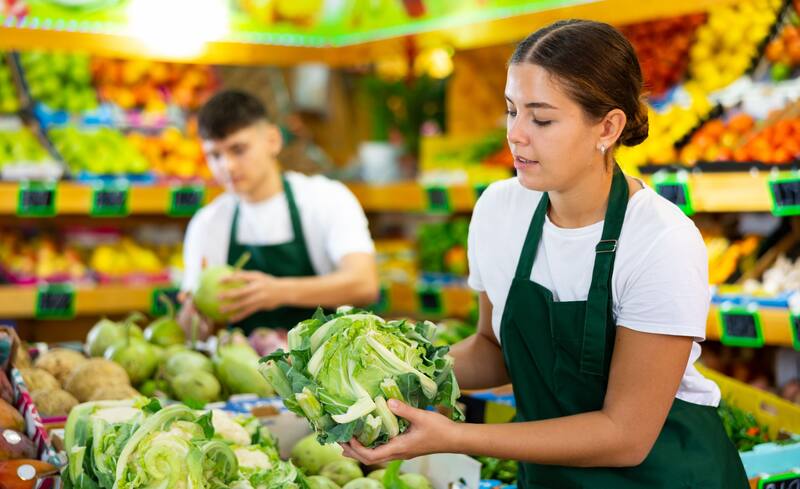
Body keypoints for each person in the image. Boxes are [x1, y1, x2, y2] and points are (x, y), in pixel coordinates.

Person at [340, 20, 748, 488]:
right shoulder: (499, 210)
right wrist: (391, 370)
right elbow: (493, 349)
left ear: (608, 127)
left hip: (665, 476)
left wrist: (454, 436)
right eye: (511, 111)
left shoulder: (660, 240)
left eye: (542, 119)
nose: (516, 135)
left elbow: (626, 436)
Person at [178, 90, 379, 336]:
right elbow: (192, 331)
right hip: (243, 357)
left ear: (272, 140)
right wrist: (194, 315)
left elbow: (364, 284)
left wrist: (278, 291)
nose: (227, 166)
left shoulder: (326, 199)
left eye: (238, 150)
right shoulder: (208, 223)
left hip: (323, 356)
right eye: (214, 155)